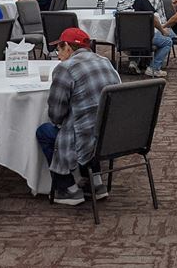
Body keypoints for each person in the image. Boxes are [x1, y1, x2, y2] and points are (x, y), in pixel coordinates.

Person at [35, 27, 121, 205]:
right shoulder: (105, 61)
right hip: (110, 136)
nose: (57, 54)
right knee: (90, 120)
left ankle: (67, 188)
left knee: (45, 131)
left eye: (58, 49)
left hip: (86, 139)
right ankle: (95, 183)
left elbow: (56, 115)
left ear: (67, 47)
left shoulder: (65, 68)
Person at [116, 0, 172, 78]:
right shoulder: (141, 0)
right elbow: (153, 18)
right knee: (167, 41)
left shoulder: (120, 4)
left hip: (124, 39)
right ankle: (153, 68)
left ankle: (133, 63)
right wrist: (162, 31)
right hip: (143, 39)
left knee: (135, 33)